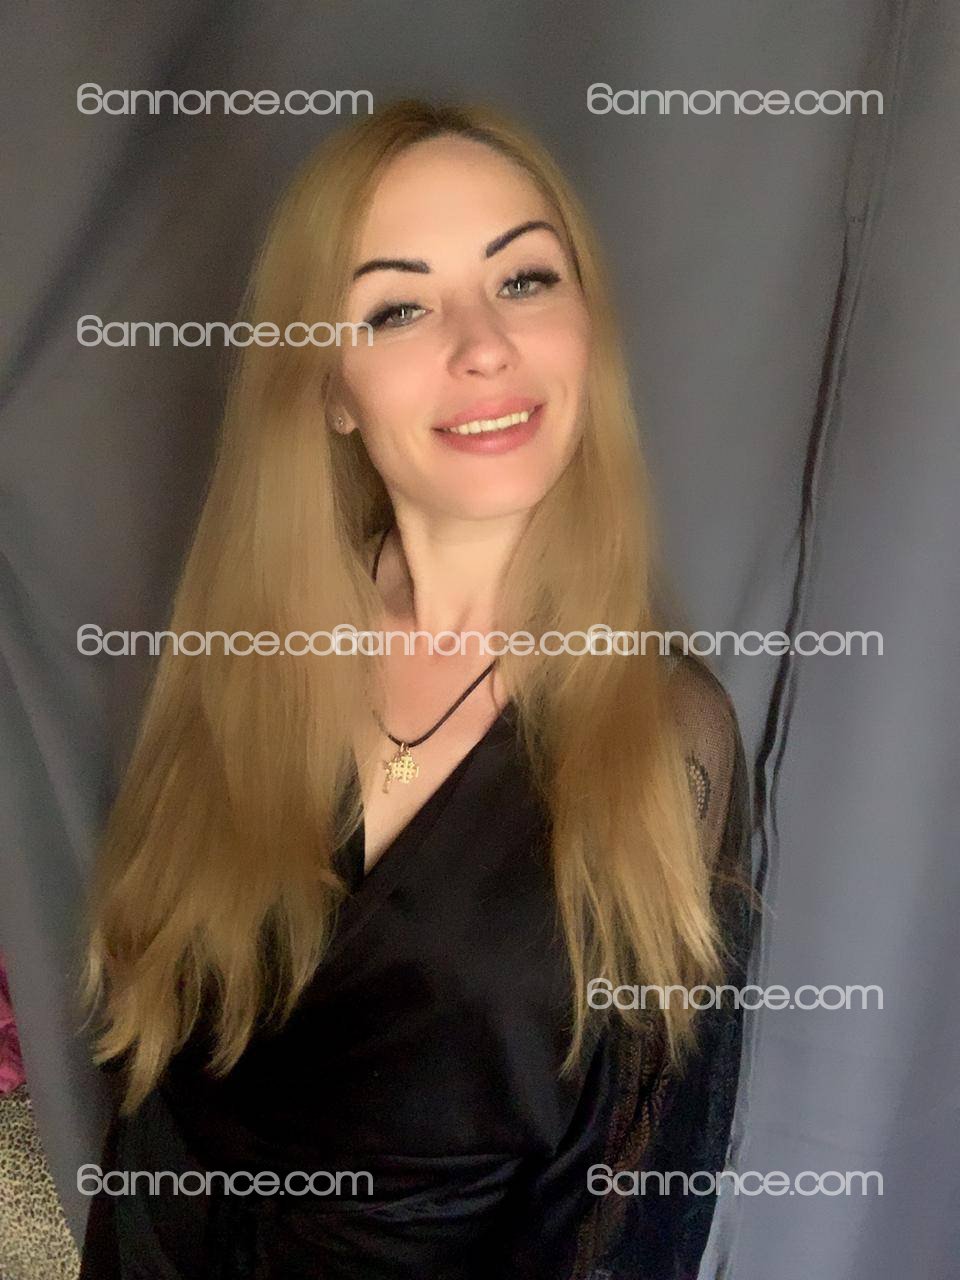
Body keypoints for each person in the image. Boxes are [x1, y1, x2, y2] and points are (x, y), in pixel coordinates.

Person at [77, 97, 758, 1280]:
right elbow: (155, 1098)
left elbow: (632, 1210)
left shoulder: (666, 735)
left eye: (525, 280)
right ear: (330, 387)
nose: (482, 343)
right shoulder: (248, 664)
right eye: (398, 306)